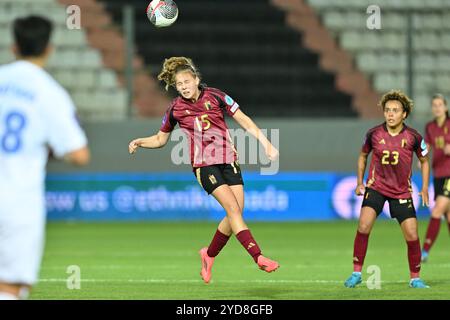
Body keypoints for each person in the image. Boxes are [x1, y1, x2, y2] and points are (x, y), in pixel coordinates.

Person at [128, 56, 279, 283]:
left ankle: (208, 255)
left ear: (196, 79)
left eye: (187, 82)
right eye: (179, 85)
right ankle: (258, 257)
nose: (184, 87)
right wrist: (141, 141)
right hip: (204, 165)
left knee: (235, 212)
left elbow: (244, 120)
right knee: (233, 211)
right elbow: (160, 139)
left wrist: (265, 143)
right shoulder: (175, 109)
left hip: (228, 160)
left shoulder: (217, 96)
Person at [0, 16, 90, 300]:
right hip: (17, 202)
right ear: (49, 48)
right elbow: (79, 154)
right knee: (11, 287)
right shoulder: (49, 92)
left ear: (13, 47)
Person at [344, 90, 430, 289]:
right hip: (376, 188)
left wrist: (425, 187)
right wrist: (359, 181)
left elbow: (425, 161)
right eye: (388, 110)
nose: (390, 114)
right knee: (363, 226)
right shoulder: (374, 134)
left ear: (404, 114)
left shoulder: (413, 137)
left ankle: (415, 278)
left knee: (412, 235)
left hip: (401, 192)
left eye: (395, 110)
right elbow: (362, 156)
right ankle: (356, 273)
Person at [421, 94, 450, 262]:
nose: (437, 107)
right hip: (438, 174)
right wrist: (422, 157)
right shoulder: (430, 127)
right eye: (434, 105)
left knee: (438, 209)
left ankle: (424, 251)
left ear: (445, 107)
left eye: (440, 104)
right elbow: (428, 145)